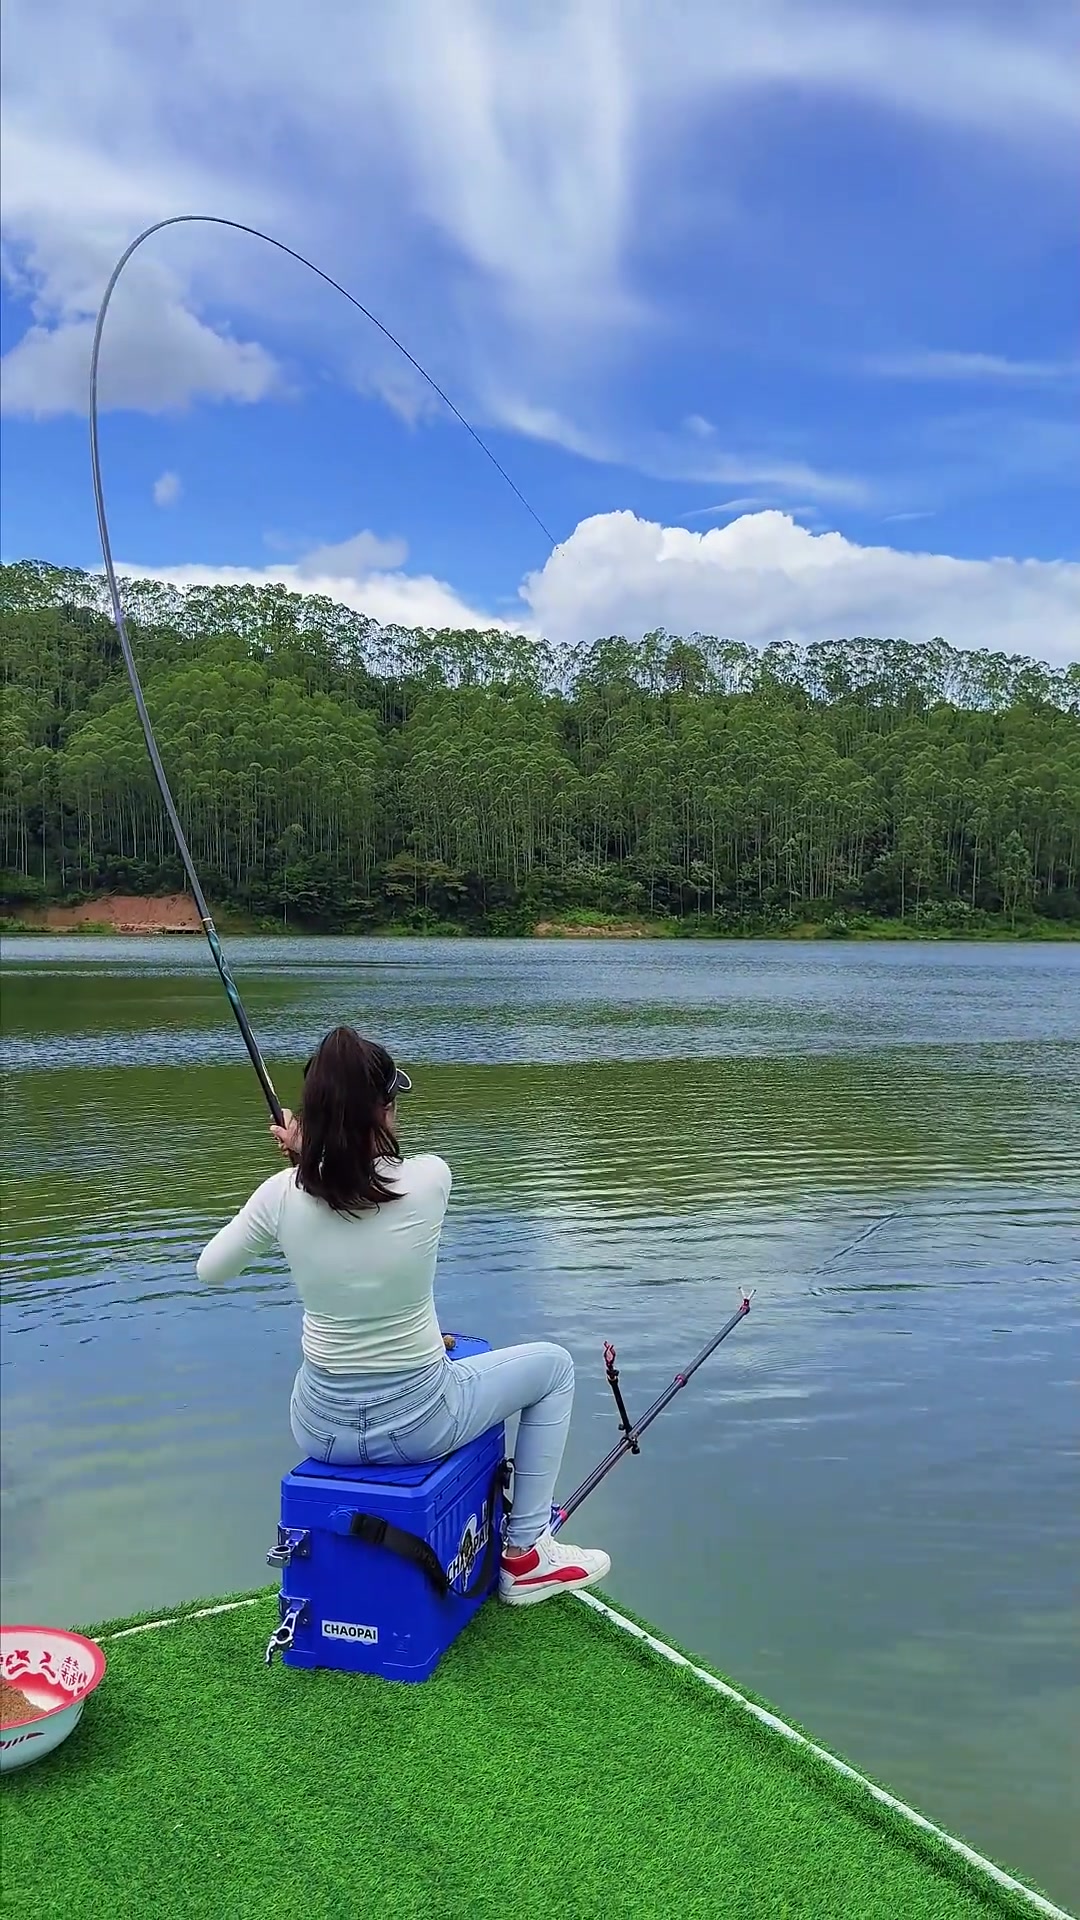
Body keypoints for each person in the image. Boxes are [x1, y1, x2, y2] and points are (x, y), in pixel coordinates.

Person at [196, 1025, 610, 1607]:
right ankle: (525, 1555)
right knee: (555, 1368)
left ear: (311, 1117)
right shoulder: (430, 1178)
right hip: (421, 1425)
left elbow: (210, 1270)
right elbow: (361, 1196)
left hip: (320, 1429)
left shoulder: (279, 1195)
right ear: (384, 1110)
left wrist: (297, 1168)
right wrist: (309, 1162)